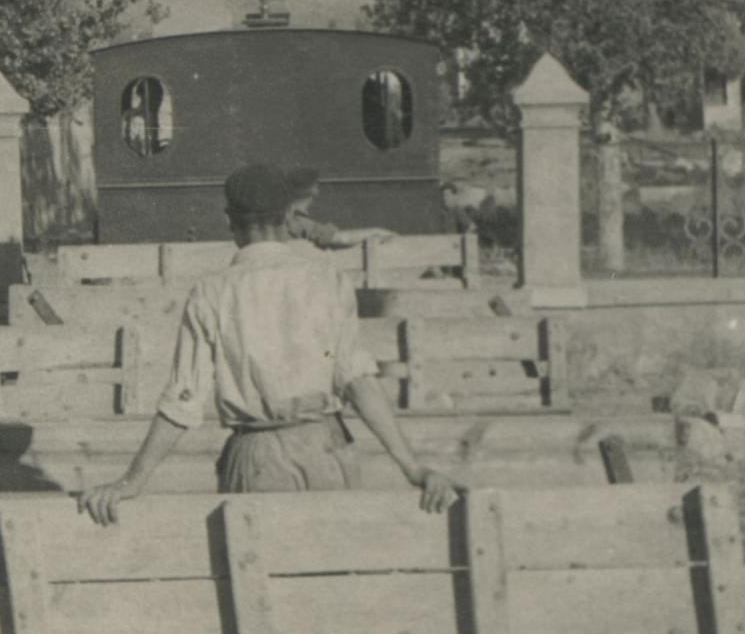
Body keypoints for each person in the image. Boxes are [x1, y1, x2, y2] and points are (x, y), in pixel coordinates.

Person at [77, 164, 461, 525]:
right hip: (328, 450)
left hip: (258, 461)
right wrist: (412, 467)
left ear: (229, 221)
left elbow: (183, 400)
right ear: (290, 217)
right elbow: (358, 380)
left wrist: (132, 481)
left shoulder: (212, 293)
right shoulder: (329, 280)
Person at [282, 166, 396, 250]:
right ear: (314, 190)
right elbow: (342, 238)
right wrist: (376, 231)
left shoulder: (285, 218)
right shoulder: (301, 223)